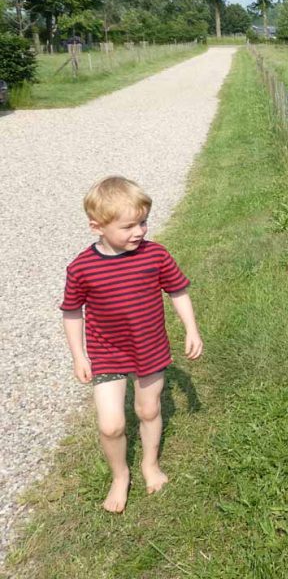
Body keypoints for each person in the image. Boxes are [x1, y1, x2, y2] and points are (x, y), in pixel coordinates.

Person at [60, 175, 203, 513]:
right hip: (106, 353)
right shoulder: (82, 268)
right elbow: (71, 312)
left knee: (148, 409)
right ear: (97, 227)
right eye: (128, 226)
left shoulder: (155, 256)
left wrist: (192, 329)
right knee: (111, 425)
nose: (139, 231)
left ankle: (149, 465)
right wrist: (78, 355)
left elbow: (178, 291)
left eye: (143, 221)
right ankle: (119, 475)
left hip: (149, 348)